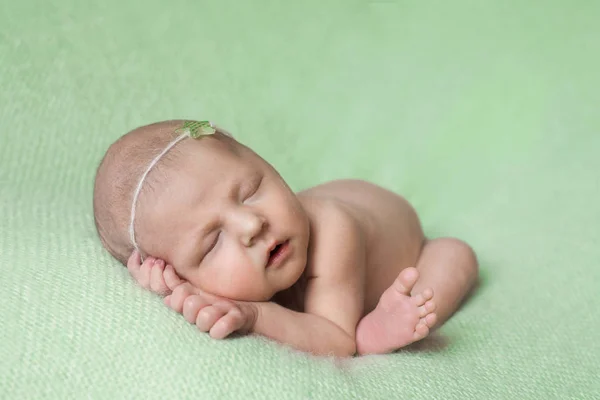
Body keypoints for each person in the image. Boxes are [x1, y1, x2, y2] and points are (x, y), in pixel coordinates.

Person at [93, 119, 478, 356]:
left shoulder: (333, 231)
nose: (251, 224)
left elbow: (335, 339)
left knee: (456, 254)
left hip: (412, 245)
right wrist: (168, 285)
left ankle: (378, 328)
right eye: (212, 243)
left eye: (251, 190)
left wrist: (256, 315)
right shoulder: (218, 264)